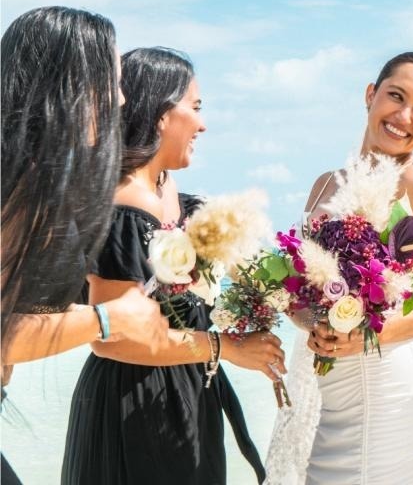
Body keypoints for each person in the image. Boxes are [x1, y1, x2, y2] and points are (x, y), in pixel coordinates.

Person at [61, 47, 286, 485]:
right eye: (195, 108)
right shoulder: (123, 202)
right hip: (135, 402)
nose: (202, 124)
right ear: (162, 114)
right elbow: (111, 341)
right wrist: (226, 348)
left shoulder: (169, 188)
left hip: (185, 390)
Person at [266, 52, 413, 485]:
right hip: (331, 393)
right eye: (396, 96)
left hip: (397, 392)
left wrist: (369, 335)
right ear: (370, 95)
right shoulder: (323, 184)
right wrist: (311, 322)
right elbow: (297, 289)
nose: (404, 116)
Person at [1, 7, 168, 483]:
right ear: (69, 85)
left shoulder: (24, 174)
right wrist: (108, 318)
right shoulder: (22, 190)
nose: (119, 101)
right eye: (110, 82)